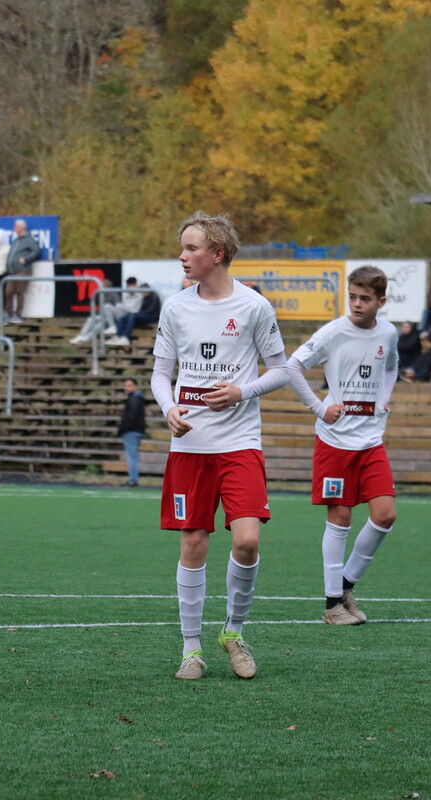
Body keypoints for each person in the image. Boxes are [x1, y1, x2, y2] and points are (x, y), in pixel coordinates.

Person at [150, 211, 288, 681]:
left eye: (191, 248)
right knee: (193, 543)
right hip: (190, 445)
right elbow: (160, 373)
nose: (182, 256)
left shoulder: (254, 307)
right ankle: (191, 650)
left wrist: (241, 392)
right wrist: (169, 407)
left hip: (239, 442)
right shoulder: (175, 307)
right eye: (182, 247)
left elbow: (281, 370)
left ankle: (233, 632)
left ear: (218, 254)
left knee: (247, 541)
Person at [285, 265, 399, 626]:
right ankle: (333, 605)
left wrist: (383, 399)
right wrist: (320, 408)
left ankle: (346, 585)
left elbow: (391, 367)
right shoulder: (333, 332)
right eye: (352, 297)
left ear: (381, 301)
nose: (357, 304)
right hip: (335, 441)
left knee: (385, 515)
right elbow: (292, 367)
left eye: (365, 298)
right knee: (341, 518)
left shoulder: (389, 333)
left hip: (370, 440)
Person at [70, 277, 141, 345]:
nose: (104, 288)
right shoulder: (101, 295)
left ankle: (86, 338)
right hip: (104, 316)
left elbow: (119, 308)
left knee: (101, 323)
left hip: (112, 318)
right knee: (90, 319)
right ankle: (81, 336)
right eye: (103, 286)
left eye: (106, 286)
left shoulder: (114, 294)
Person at [3, 219, 41, 323]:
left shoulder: (28, 239)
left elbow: (36, 251)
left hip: (22, 270)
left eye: (16, 226)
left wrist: (26, 259)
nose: (14, 228)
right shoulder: (16, 240)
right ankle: (9, 314)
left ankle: (18, 314)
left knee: (19, 292)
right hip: (12, 271)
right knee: (8, 292)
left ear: (21, 227)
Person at [117, 376, 147, 487]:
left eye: (129, 386)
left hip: (131, 431)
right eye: (125, 386)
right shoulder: (137, 398)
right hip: (136, 430)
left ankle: (133, 480)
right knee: (132, 456)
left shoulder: (134, 399)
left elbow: (130, 417)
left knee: (131, 457)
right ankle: (133, 479)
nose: (126, 388)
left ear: (135, 386)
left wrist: (122, 429)